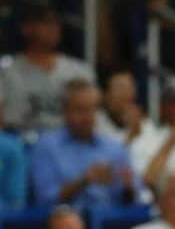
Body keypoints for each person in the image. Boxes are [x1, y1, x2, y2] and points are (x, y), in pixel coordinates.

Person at [30, 80, 141, 209]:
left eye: (92, 109)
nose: (87, 117)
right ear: (64, 111)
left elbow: (135, 199)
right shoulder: (47, 146)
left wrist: (128, 189)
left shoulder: (115, 149)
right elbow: (44, 199)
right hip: (64, 221)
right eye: (80, 110)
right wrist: (84, 181)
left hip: (111, 222)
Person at [0, 0, 95, 133]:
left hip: (69, 145)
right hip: (20, 142)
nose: (53, 28)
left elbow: (95, 119)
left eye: (56, 22)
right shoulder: (6, 71)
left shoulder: (79, 70)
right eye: (46, 22)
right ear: (26, 27)